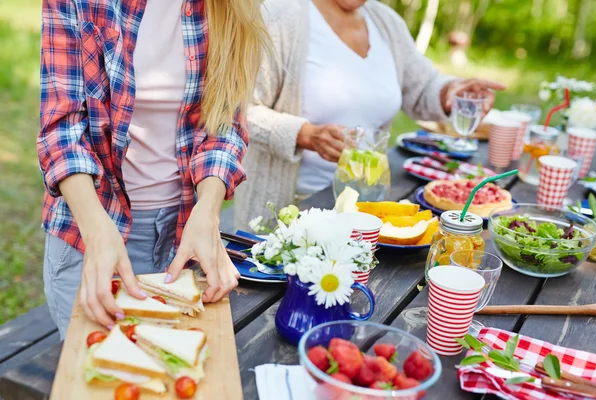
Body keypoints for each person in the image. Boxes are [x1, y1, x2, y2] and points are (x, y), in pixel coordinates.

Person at [38, 0, 269, 338]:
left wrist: (208, 213)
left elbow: (224, 126)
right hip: (91, 231)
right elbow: (63, 130)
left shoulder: (235, 7)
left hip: (185, 236)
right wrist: (97, 231)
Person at [234, 0, 504, 229]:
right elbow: (238, 110)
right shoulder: (280, 14)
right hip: (289, 210)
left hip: (366, 206)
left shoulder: (384, 20)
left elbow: (422, 87)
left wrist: (449, 92)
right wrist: (307, 135)